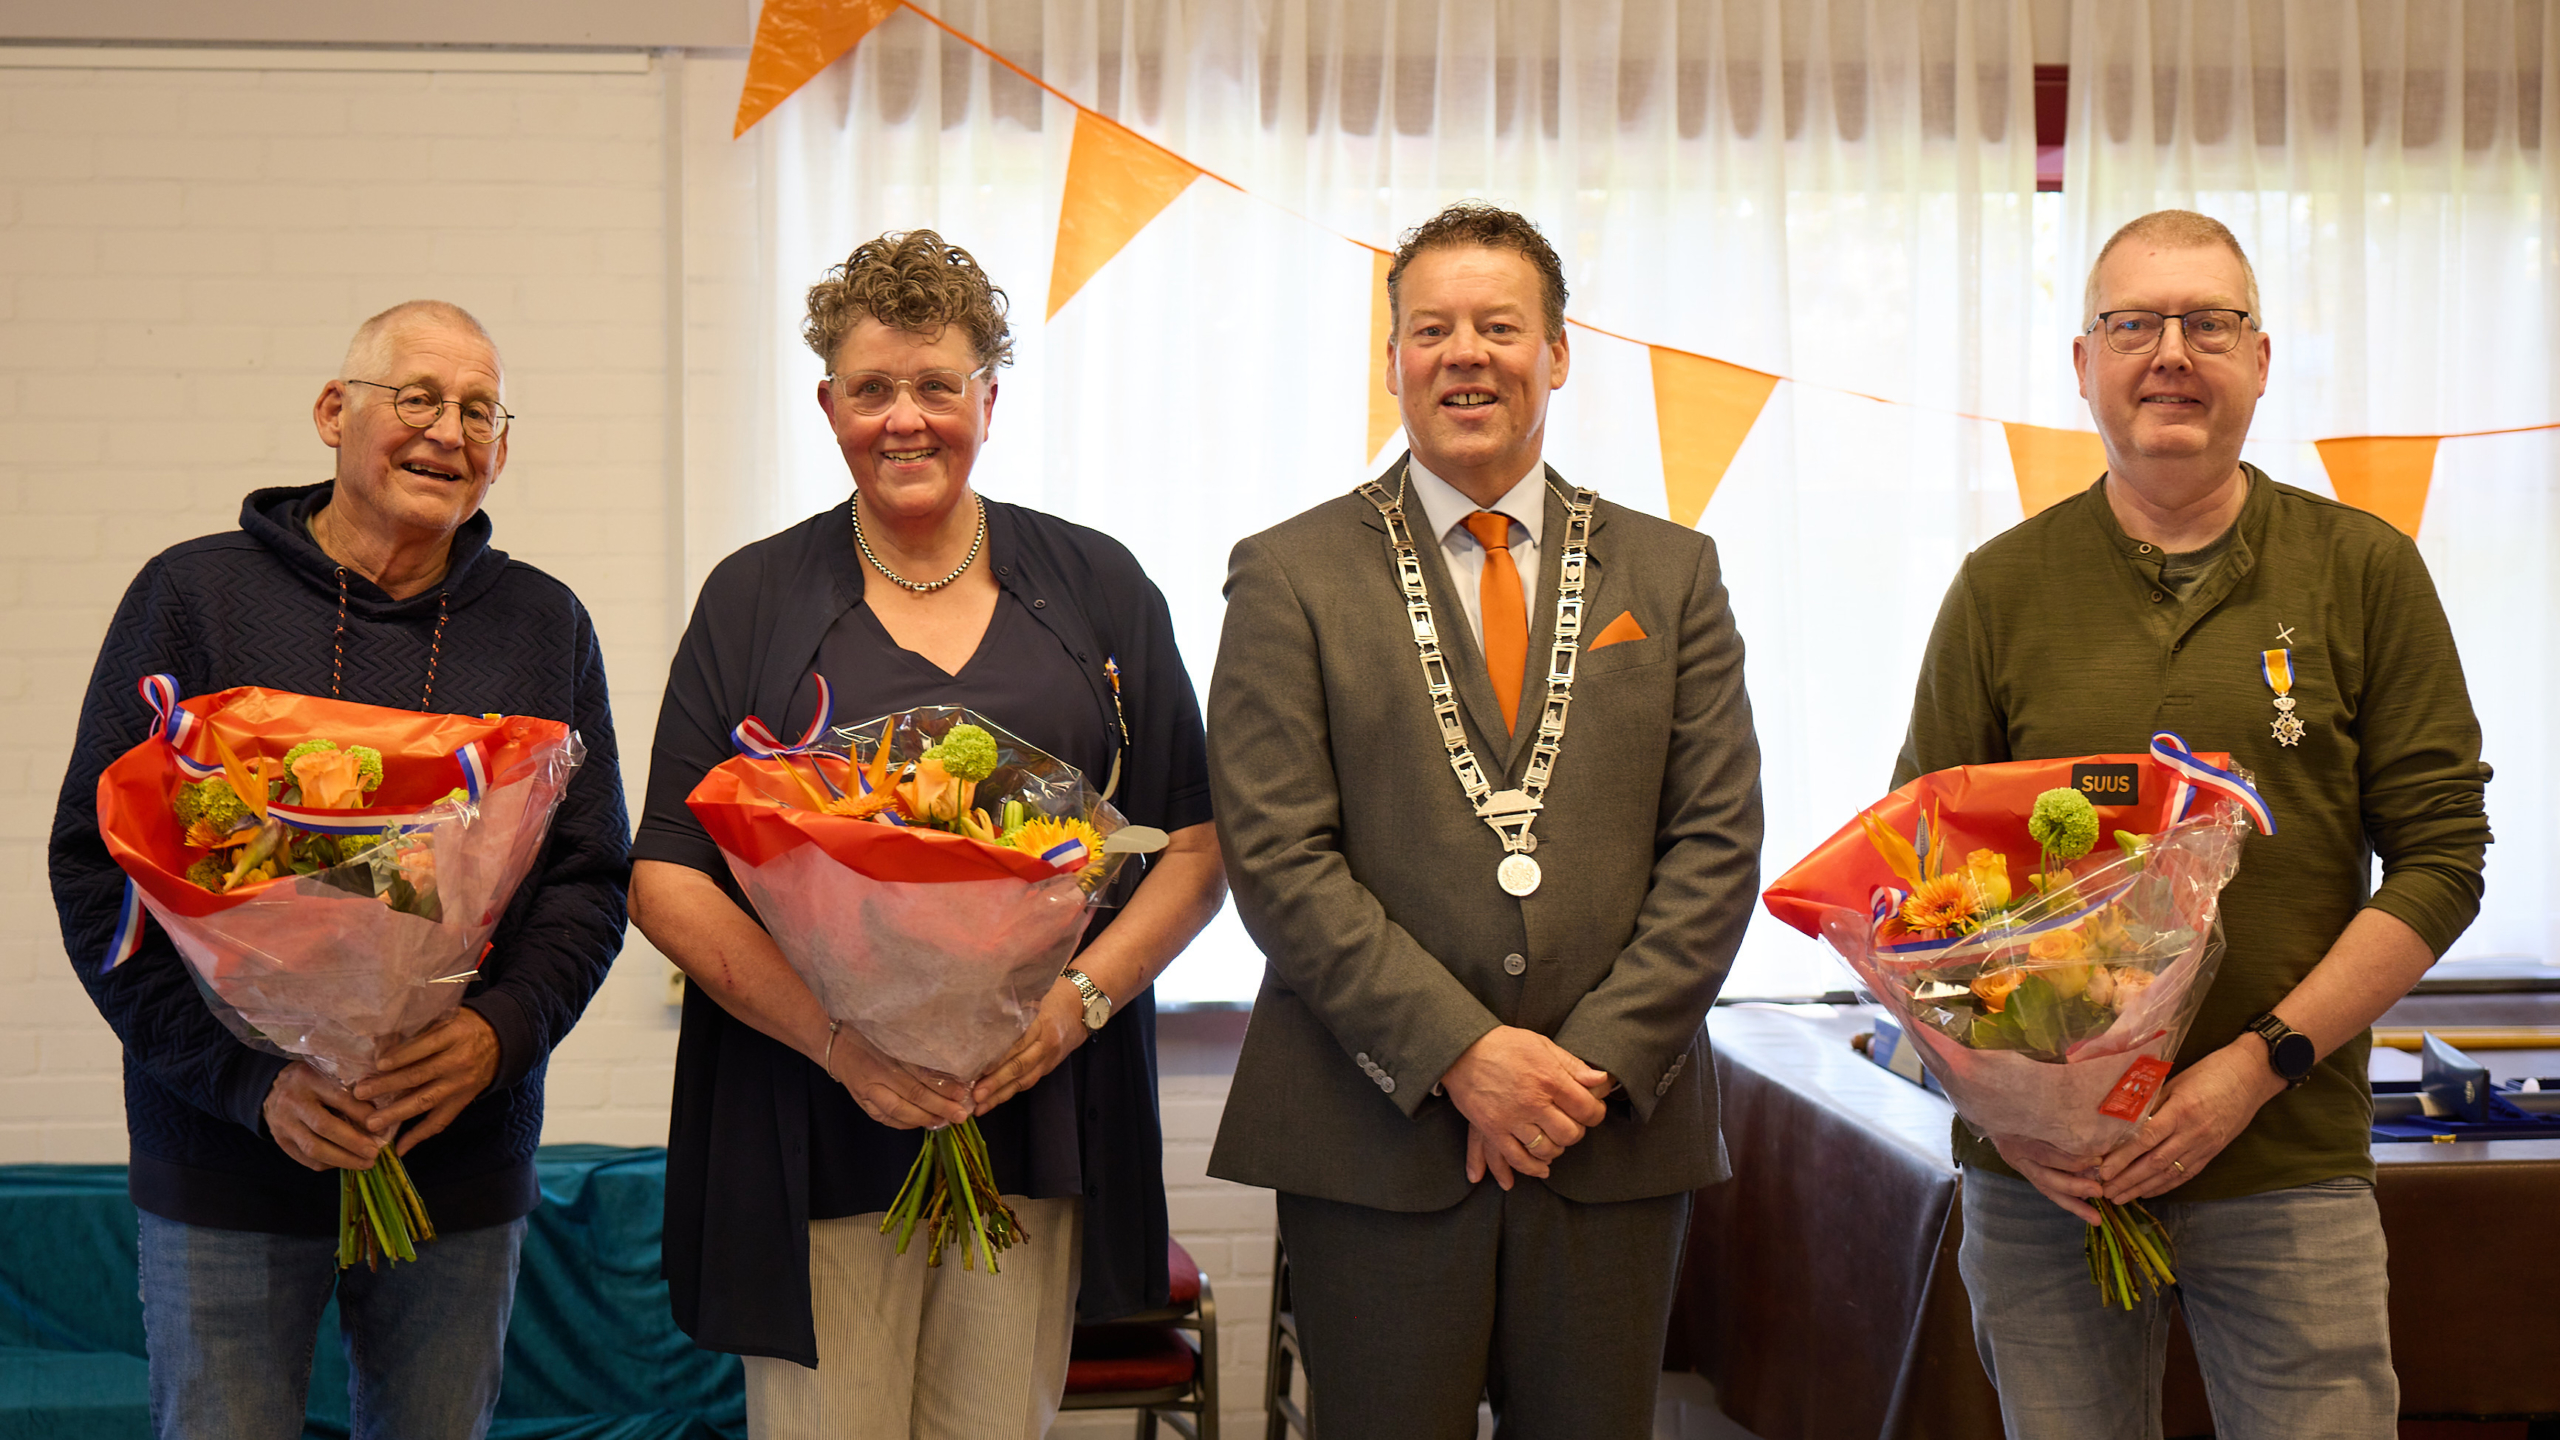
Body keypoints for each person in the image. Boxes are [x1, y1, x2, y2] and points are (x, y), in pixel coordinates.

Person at [1896, 210, 2492, 1439]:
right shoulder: (2000, 590)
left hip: (2285, 1156)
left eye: (2207, 323)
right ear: (2083, 364)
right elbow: (1915, 880)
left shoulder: (2362, 570)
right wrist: (2021, 1110)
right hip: (2043, 1184)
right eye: (2134, 324)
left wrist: (2253, 1069)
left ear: (2259, 361)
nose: (2170, 351)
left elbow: (2440, 861)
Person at [630, 230, 1225, 1440]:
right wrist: (841, 1042)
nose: (905, 419)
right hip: (817, 1114)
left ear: (989, 400)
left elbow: (1194, 847)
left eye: (937, 386)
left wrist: (1073, 1012)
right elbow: (664, 874)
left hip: (1033, 1105)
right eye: (871, 389)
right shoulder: (755, 597)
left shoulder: (1097, 586)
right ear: (827, 403)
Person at [1204, 201, 1765, 1438]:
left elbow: (1716, 846)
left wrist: (1590, 1069)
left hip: (1610, 1135)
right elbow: (1277, 856)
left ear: (1556, 353)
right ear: (1393, 357)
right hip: (1373, 1135)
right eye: (1431, 328)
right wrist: (1463, 1054)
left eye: (1499, 326)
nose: (1466, 353)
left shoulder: (1670, 575)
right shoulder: (1288, 574)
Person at [47, 299, 632, 1439]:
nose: (447, 432)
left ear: (499, 450)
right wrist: (244, 1085)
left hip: (455, 1149)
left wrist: (496, 1036)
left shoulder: (545, 623)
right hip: (221, 1148)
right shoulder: (192, 597)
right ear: (333, 412)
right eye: (416, 397)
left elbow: (587, 879)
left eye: (478, 410)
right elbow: (96, 870)